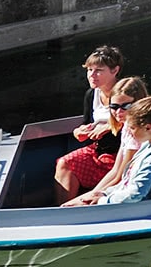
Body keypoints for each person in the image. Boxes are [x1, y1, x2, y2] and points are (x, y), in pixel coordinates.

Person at [53, 46, 127, 203]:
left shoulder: (127, 92)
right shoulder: (91, 94)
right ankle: (63, 210)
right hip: (98, 150)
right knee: (64, 163)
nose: (92, 75)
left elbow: (141, 120)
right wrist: (80, 131)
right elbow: (87, 124)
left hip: (122, 152)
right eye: (89, 70)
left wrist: (110, 127)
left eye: (99, 70)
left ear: (115, 71)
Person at [56, 74, 145, 204]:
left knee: (74, 205)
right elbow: (116, 171)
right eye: (114, 107)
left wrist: (95, 196)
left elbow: (121, 176)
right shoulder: (127, 129)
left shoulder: (139, 133)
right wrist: (91, 195)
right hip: (123, 181)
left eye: (125, 107)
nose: (118, 112)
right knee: (65, 164)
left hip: (135, 189)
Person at [82, 95, 151, 205]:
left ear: (148, 128)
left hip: (146, 208)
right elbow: (127, 183)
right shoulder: (147, 145)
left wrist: (102, 201)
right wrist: (105, 194)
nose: (129, 132)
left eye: (132, 128)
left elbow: (135, 194)